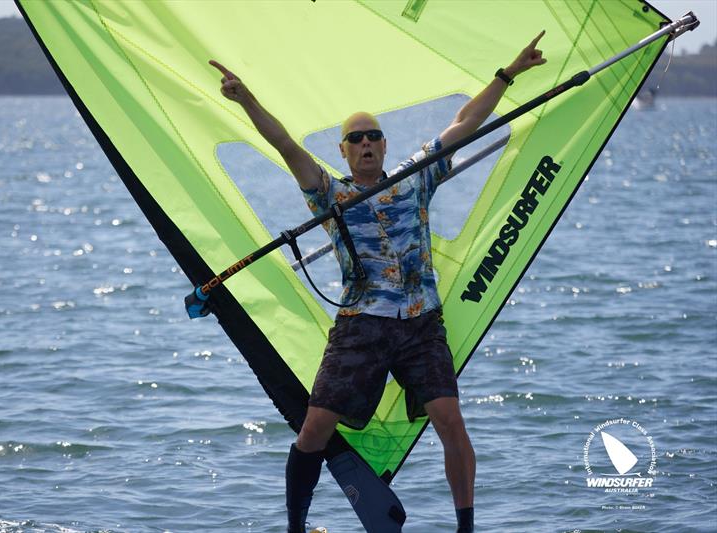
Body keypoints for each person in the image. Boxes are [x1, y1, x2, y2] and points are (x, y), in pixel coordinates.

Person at [209, 31, 546, 533]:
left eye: (373, 136)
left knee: (450, 420)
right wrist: (247, 99)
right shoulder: (329, 194)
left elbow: (466, 122)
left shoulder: (416, 175)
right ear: (343, 152)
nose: (366, 144)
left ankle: (466, 528)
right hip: (360, 324)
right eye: (356, 139)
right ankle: (296, 527)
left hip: (420, 323)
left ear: (384, 145)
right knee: (313, 430)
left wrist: (508, 74)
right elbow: (281, 143)